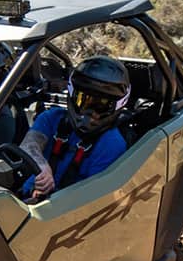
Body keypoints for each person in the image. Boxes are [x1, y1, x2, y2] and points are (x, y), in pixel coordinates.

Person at [20, 55, 131, 201]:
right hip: (26, 198)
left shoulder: (111, 144)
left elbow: (90, 199)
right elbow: (29, 144)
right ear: (72, 96)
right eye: (83, 101)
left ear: (117, 106)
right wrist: (42, 167)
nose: (91, 114)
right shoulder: (52, 117)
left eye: (102, 106)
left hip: (63, 211)